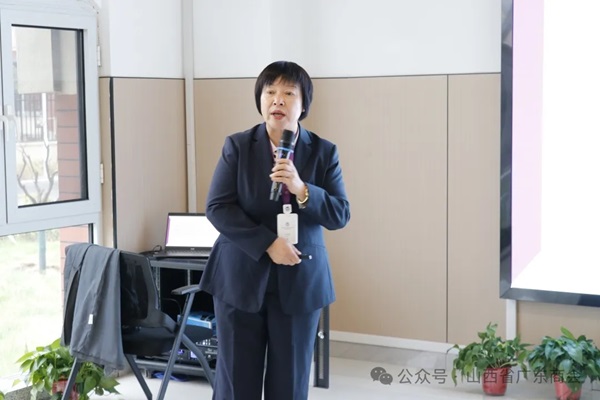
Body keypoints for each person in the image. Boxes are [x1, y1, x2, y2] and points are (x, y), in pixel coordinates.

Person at [199, 60, 351, 400]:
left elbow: (340, 214)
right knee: (236, 384)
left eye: (288, 93)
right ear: (260, 99)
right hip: (240, 280)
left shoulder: (324, 152)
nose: (277, 100)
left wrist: (302, 189)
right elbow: (218, 207)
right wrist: (268, 243)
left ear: (304, 103)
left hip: (299, 282)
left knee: (290, 385)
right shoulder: (238, 146)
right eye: (270, 92)